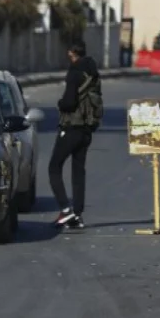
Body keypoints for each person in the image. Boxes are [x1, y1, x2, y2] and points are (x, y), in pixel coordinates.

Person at [49, 40, 103, 230]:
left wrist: (60, 103)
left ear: (72, 53)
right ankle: (77, 215)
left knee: (54, 167)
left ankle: (65, 209)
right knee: (78, 171)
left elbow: (70, 102)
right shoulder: (93, 73)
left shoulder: (74, 72)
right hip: (87, 129)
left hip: (71, 127)